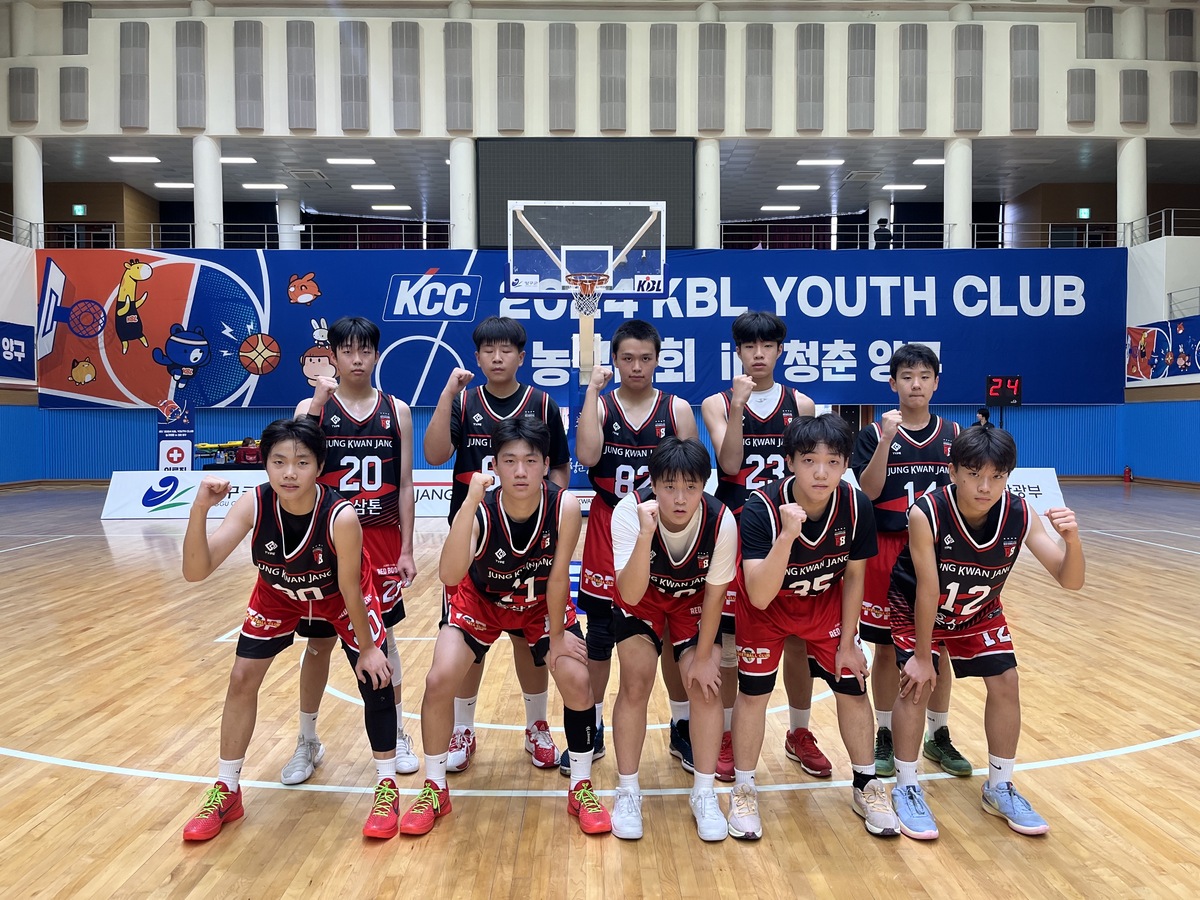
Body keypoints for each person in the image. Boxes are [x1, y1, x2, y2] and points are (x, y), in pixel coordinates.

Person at [180, 418, 400, 842]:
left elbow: (351, 588)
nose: (289, 473)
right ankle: (227, 788)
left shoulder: (341, 516)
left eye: (301, 462)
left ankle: (387, 786)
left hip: (340, 597)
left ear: (320, 466)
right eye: (278, 462)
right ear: (265, 465)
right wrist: (200, 509)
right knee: (241, 677)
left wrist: (370, 648)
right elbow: (196, 571)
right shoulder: (254, 504)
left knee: (375, 678)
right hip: (278, 594)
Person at [400, 418, 610, 836]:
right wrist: (468, 503)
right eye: (509, 461)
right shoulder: (482, 509)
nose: (520, 471)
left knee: (577, 679)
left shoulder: (565, 505)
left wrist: (556, 638)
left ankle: (581, 786)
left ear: (546, 464)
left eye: (530, 461)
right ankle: (435, 787)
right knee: (439, 679)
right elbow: (448, 574)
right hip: (481, 603)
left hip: (538, 606)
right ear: (493, 465)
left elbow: (558, 577)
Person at [887, 425, 1085, 840]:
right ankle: (906, 786)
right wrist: (922, 656)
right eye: (974, 474)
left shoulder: (1020, 513)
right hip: (919, 605)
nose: (985, 486)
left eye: (997, 476)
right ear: (954, 471)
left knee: (1007, 681)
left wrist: (1072, 540)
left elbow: (1070, 581)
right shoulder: (926, 512)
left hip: (978, 611)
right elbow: (928, 589)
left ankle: (999, 785)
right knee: (916, 684)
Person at [728, 415, 899, 841]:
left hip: (824, 607)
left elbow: (855, 577)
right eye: (809, 461)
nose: (821, 472)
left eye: (832, 462)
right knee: (753, 694)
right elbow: (759, 594)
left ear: (845, 465)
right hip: (766, 610)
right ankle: (743, 790)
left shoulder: (856, 505)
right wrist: (787, 536)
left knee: (853, 685)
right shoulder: (761, 507)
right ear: (790, 462)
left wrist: (849, 640)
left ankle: (866, 785)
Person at [424, 316, 572, 772]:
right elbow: (434, 454)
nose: (497, 357)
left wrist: (545, 510)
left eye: (506, 350)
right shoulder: (464, 400)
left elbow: (559, 466)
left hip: (531, 535)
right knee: (469, 640)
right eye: (488, 350)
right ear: (476, 356)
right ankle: (463, 728)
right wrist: (447, 394)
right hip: (474, 534)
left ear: (521, 356)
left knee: (529, 638)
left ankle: (536, 727)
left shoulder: (542, 403)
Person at [285, 317, 418, 785]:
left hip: (380, 539)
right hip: (325, 540)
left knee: (385, 641)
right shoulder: (313, 406)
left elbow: (405, 484)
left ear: (376, 355)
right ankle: (307, 740)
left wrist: (407, 549)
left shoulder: (397, 410)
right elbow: (293, 464)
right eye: (347, 351)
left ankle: (397, 732)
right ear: (334, 357)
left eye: (365, 351)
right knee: (318, 643)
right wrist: (317, 404)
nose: (357, 359)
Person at [571, 319, 698, 776]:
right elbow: (587, 457)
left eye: (645, 358)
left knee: (671, 629)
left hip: (664, 528)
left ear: (658, 360)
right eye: (627, 358)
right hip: (609, 523)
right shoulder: (602, 406)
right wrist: (592, 391)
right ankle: (594, 723)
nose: (637, 366)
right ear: (615, 360)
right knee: (601, 633)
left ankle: (682, 725)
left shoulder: (676, 409)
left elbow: (691, 475)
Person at [701, 310, 823, 783]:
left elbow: (808, 470)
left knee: (797, 638)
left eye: (766, 346)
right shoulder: (716, 403)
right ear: (737, 351)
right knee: (732, 641)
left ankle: (799, 731)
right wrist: (737, 406)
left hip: (789, 527)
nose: (758, 354)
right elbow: (730, 464)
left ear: (779, 350)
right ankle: (728, 734)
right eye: (749, 346)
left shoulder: (802, 403)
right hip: (737, 527)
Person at [851, 343, 970, 780]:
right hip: (887, 547)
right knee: (885, 647)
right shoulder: (872, 432)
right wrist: (886, 439)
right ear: (892, 383)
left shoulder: (955, 435)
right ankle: (884, 732)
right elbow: (868, 491)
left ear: (936, 382)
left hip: (939, 553)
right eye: (906, 376)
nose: (915, 384)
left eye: (923, 376)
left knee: (938, 646)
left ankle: (938, 734)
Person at [608, 438, 735, 842]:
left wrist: (704, 657)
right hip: (642, 598)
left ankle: (704, 792)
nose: (680, 498)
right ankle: (628, 791)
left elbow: (715, 596)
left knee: (706, 687)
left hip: (693, 603)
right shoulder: (628, 512)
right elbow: (629, 594)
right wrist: (646, 535)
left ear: (704, 485)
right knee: (635, 681)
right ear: (653, 483)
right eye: (669, 487)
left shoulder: (721, 521)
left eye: (690, 487)